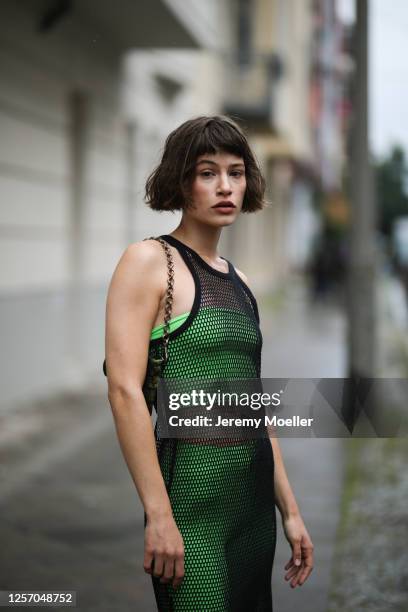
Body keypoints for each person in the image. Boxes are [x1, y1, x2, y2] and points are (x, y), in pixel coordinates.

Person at [105, 116, 314, 611]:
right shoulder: (149, 261)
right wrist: (158, 515)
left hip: (253, 514)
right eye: (207, 172)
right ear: (181, 180)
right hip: (190, 512)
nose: (226, 187)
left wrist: (291, 512)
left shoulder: (239, 279)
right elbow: (124, 391)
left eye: (236, 172)